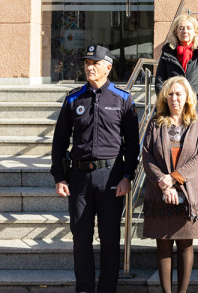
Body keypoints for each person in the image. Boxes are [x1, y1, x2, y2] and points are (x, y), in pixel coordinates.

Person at [50, 45, 139, 293]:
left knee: (110, 239)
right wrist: (59, 177)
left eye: (95, 63)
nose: (89, 67)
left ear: (108, 67)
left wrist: (127, 176)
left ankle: (107, 288)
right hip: (78, 177)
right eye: (87, 62)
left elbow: (132, 143)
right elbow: (59, 140)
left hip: (110, 177)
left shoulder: (123, 99)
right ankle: (85, 289)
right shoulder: (73, 98)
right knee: (81, 239)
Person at [142, 76, 198, 293]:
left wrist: (175, 178)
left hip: (189, 191)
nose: (174, 98)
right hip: (160, 190)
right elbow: (147, 156)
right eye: (170, 94)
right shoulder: (155, 123)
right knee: (163, 243)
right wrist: (165, 185)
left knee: (185, 243)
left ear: (188, 96)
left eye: (178, 93)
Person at [156, 14, 198, 137]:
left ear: (195, 32)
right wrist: (169, 104)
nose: (185, 31)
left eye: (189, 28)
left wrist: (193, 109)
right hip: (172, 113)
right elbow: (160, 81)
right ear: (176, 32)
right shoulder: (167, 52)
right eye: (181, 28)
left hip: (197, 113)